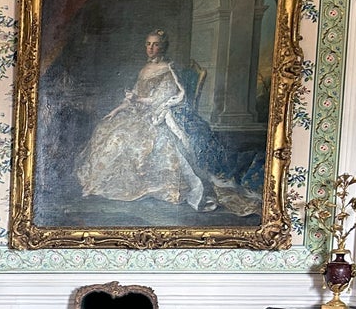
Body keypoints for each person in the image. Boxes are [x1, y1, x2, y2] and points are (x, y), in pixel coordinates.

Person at [74, 30, 259, 216]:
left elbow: (161, 99)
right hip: (138, 113)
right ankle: (99, 182)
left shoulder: (168, 69)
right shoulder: (144, 69)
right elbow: (133, 97)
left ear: (162, 47)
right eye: (148, 44)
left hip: (157, 116)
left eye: (155, 44)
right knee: (106, 129)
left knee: (121, 138)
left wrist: (137, 98)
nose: (150, 48)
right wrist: (116, 110)